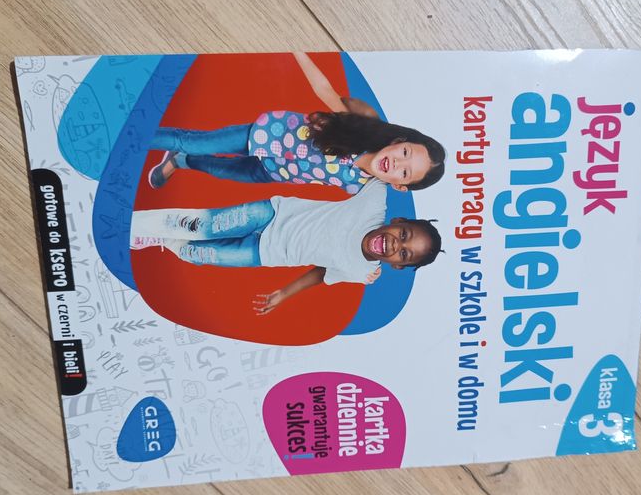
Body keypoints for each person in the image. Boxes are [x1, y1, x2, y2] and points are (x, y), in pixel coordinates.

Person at [147, 52, 445, 195]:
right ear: (398, 142)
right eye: (405, 152)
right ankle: (135, 137)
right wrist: (297, 49)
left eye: (404, 172)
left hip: (271, 172)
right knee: (195, 142)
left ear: (399, 186)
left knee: (216, 168)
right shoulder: (363, 130)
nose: (397, 163)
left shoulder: (364, 189)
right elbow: (325, 91)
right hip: (266, 136)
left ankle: (179, 161)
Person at [131, 180, 442, 314]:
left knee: (196, 253)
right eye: (403, 233)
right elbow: (384, 162)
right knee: (202, 226)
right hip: (271, 214)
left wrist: (284, 293)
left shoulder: (361, 272)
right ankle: (133, 224)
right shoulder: (373, 202)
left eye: (404, 253)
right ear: (398, 220)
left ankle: (163, 239)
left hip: (266, 254)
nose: (395, 244)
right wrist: (406, 178)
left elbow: (322, 274)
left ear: (398, 265)